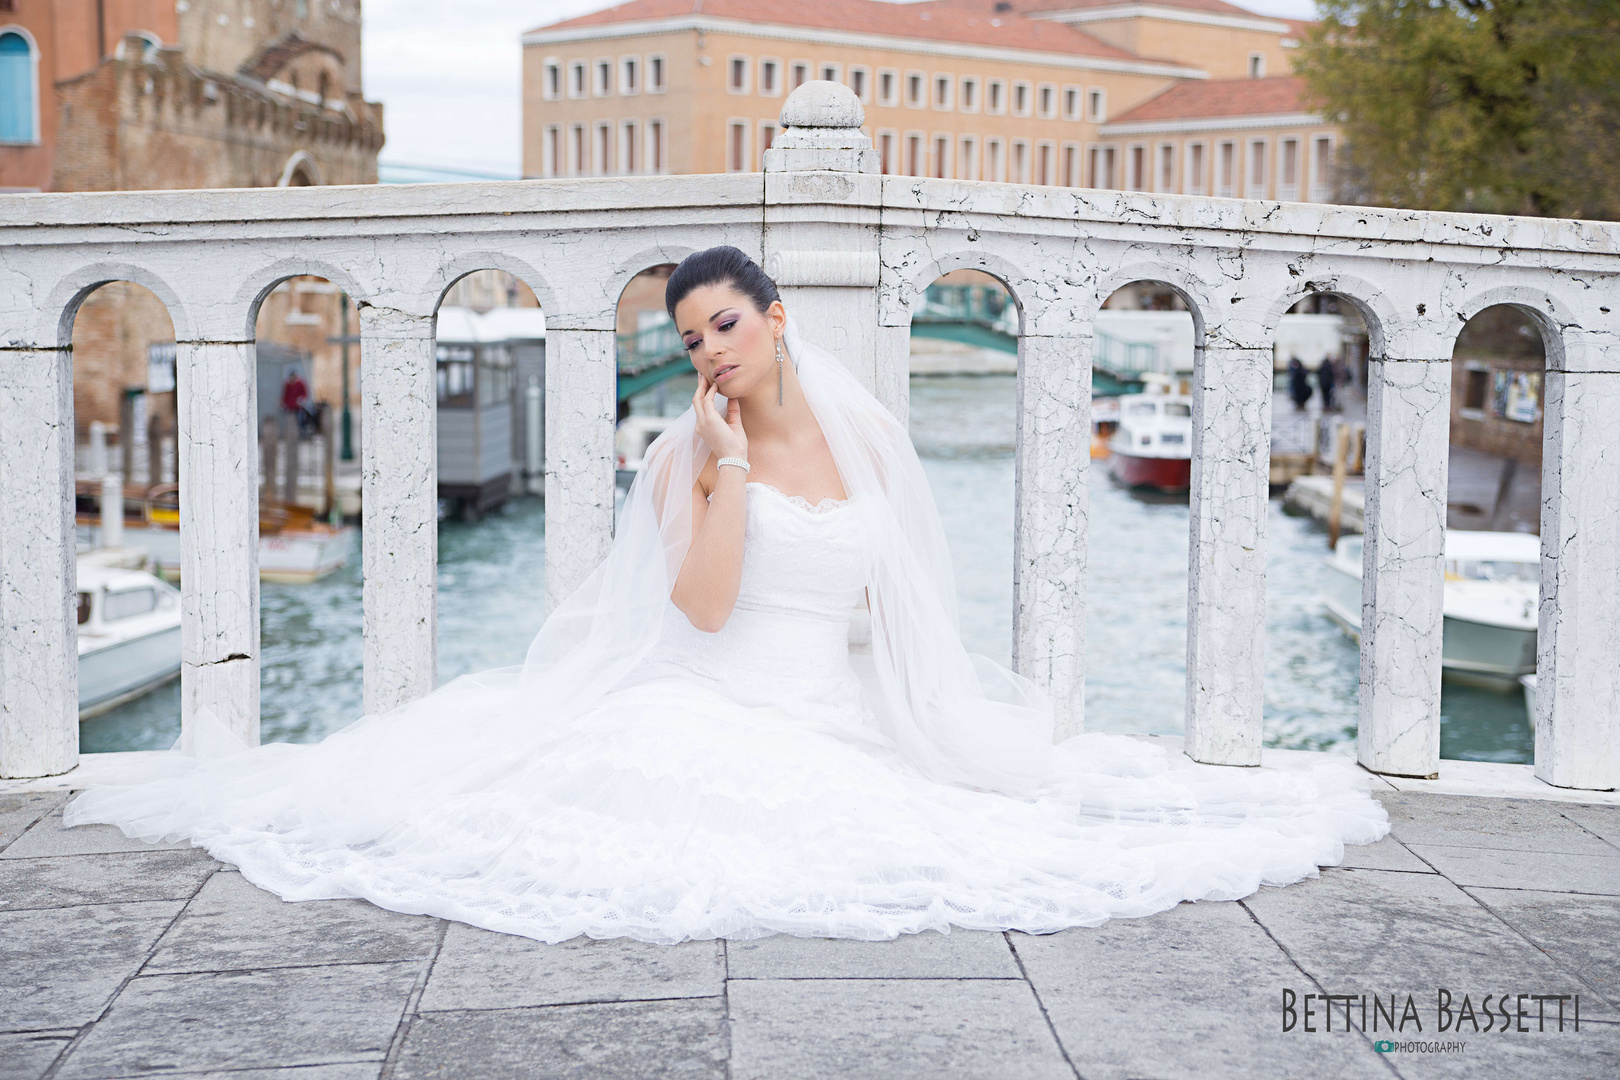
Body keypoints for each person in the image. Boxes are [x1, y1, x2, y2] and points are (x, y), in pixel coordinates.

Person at [66, 247, 1387, 945]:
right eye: (692, 337)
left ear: (776, 314)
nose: (709, 350)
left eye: (726, 324)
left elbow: (907, 600)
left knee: (999, 824)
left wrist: (941, 728)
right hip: (709, 701)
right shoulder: (687, 450)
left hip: (839, 709)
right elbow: (698, 610)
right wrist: (729, 467)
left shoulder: (872, 442)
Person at [280, 367, 315, 438]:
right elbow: (285, 395)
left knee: (300, 420)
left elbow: (304, 393)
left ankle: (301, 434)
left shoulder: (300, 383)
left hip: (298, 407)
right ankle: (291, 435)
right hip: (290, 406)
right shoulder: (287, 384)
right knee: (290, 421)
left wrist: (301, 399)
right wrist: (283, 402)